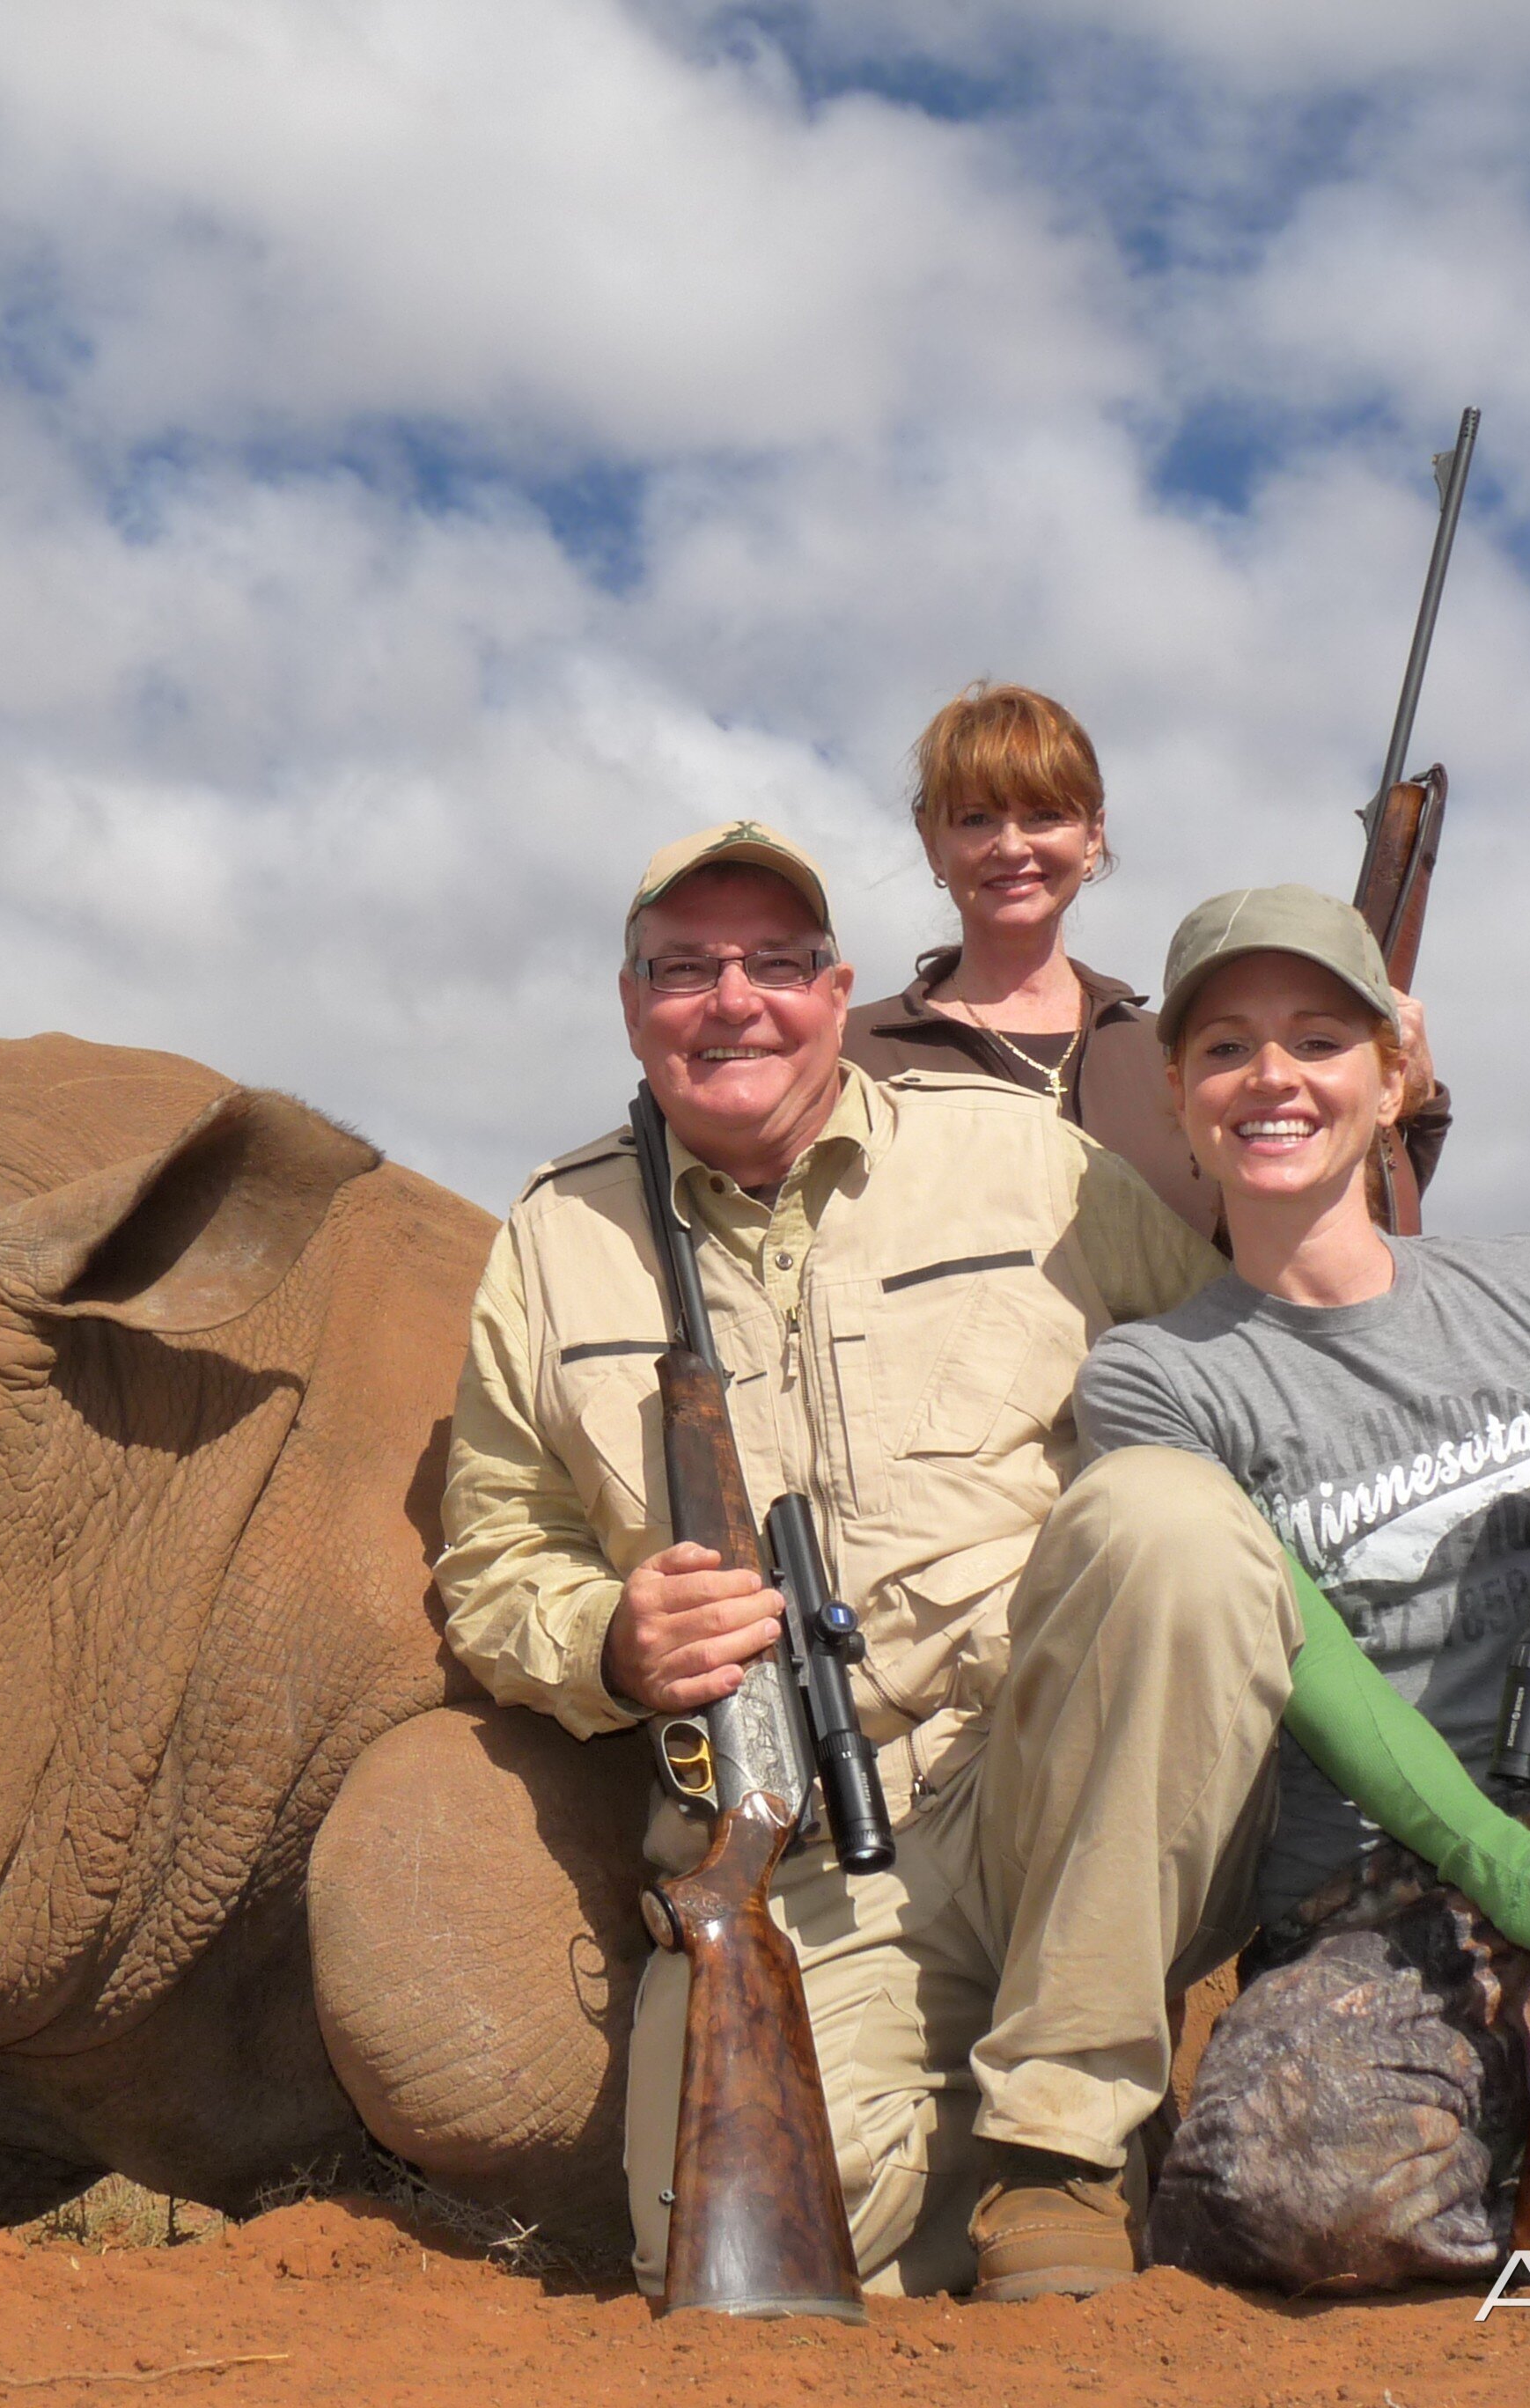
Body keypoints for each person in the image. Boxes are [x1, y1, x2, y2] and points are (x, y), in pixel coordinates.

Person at [440, 819, 1339, 2302]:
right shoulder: (550, 1238)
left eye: (773, 963)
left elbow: (1256, 1393)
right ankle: (1040, 2126)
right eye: (682, 967)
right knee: (756, 2260)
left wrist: (1373, 1151)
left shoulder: (1031, 1164)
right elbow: (494, 1559)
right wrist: (608, 1637)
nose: (731, 998)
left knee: (1169, 1523)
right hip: (798, 1854)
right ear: (629, 1003)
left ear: (835, 988)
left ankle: (1056, 2151)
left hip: (1054, 1790)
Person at [1072, 885, 1530, 2287]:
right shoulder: (1155, 1377)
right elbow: (1320, 1683)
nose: (1271, 1077)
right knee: (1282, 2204)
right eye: (1224, 1048)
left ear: (1394, 1072)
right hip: (1383, 1896)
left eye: (1318, 1039)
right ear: (1177, 1097)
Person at [843, 683, 1451, 1238]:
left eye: (1043, 816)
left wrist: (1403, 1103)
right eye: (976, 819)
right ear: (932, 843)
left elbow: (1321, 1230)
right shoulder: (850, 1054)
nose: (1010, 846)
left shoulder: (1187, 1056)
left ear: (1093, 836)